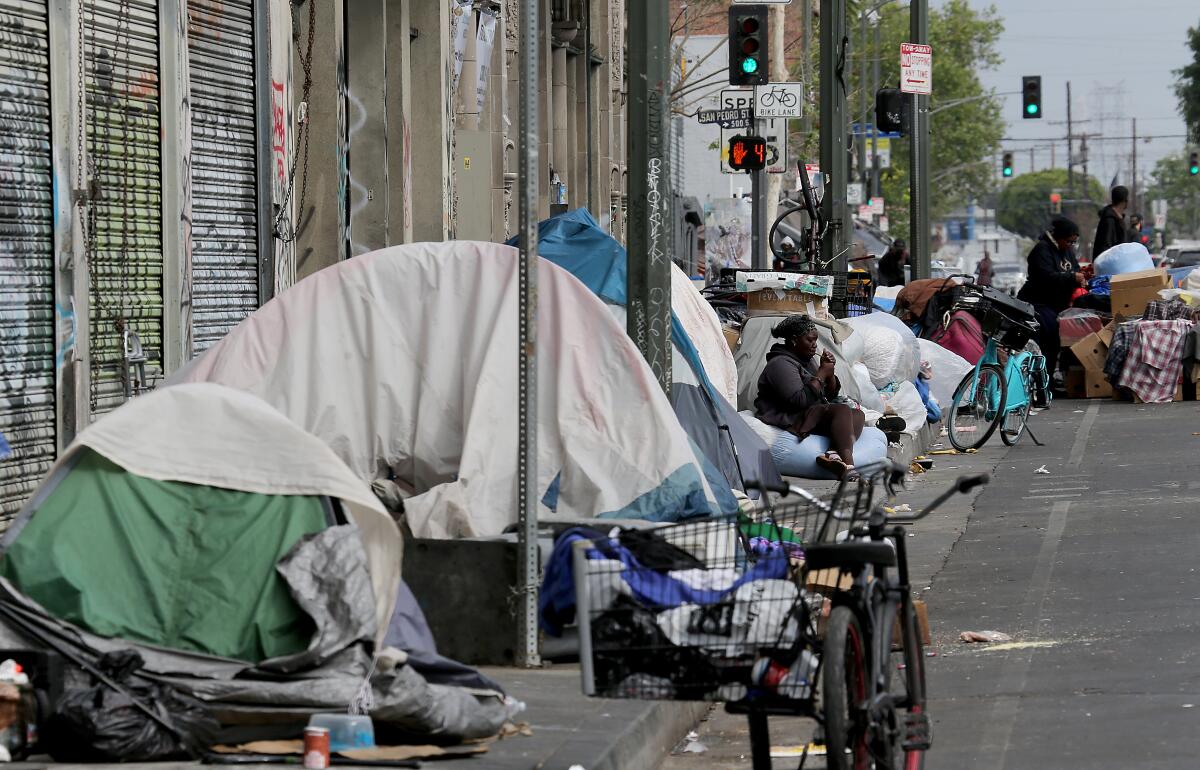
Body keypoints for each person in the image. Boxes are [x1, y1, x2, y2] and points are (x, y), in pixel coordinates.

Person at [754, 315, 865, 479]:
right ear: (794, 340)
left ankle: (833, 454)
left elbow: (830, 395)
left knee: (857, 414)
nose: (815, 346)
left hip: (811, 411)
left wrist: (830, 373)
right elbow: (798, 401)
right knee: (841, 410)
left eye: (816, 341)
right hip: (789, 415)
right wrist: (821, 374)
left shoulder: (807, 360)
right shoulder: (780, 364)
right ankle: (849, 465)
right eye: (810, 341)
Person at [1017, 217, 1086, 379]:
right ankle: (1041, 380)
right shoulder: (1042, 250)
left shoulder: (1066, 251)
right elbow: (1045, 277)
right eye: (1069, 242)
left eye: (1073, 243)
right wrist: (1071, 278)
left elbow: (1074, 268)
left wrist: (1080, 277)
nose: (1071, 246)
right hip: (1038, 302)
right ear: (1059, 237)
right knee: (1049, 335)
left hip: (1057, 304)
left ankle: (1052, 378)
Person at [1092, 185, 1129, 258]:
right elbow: (1106, 245)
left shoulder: (1117, 218)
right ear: (1125, 201)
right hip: (1110, 264)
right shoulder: (1109, 219)